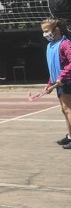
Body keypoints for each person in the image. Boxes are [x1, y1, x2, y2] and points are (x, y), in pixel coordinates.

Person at [42, 18, 71, 149]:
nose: (44, 34)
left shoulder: (65, 44)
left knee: (68, 110)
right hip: (59, 82)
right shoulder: (51, 45)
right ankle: (70, 136)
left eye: (47, 31)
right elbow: (53, 66)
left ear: (56, 30)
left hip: (67, 81)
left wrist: (62, 76)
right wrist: (50, 83)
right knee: (64, 110)